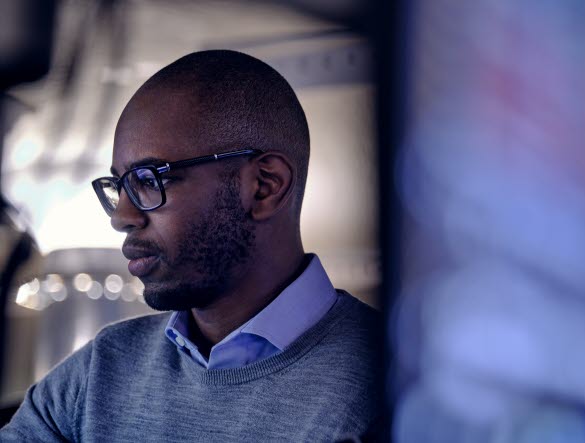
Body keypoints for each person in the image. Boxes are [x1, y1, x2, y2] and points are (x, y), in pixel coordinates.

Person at [1, 50, 381, 442]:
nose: (122, 217)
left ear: (264, 186)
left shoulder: (395, 384)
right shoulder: (100, 372)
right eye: (120, 186)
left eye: (150, 179)